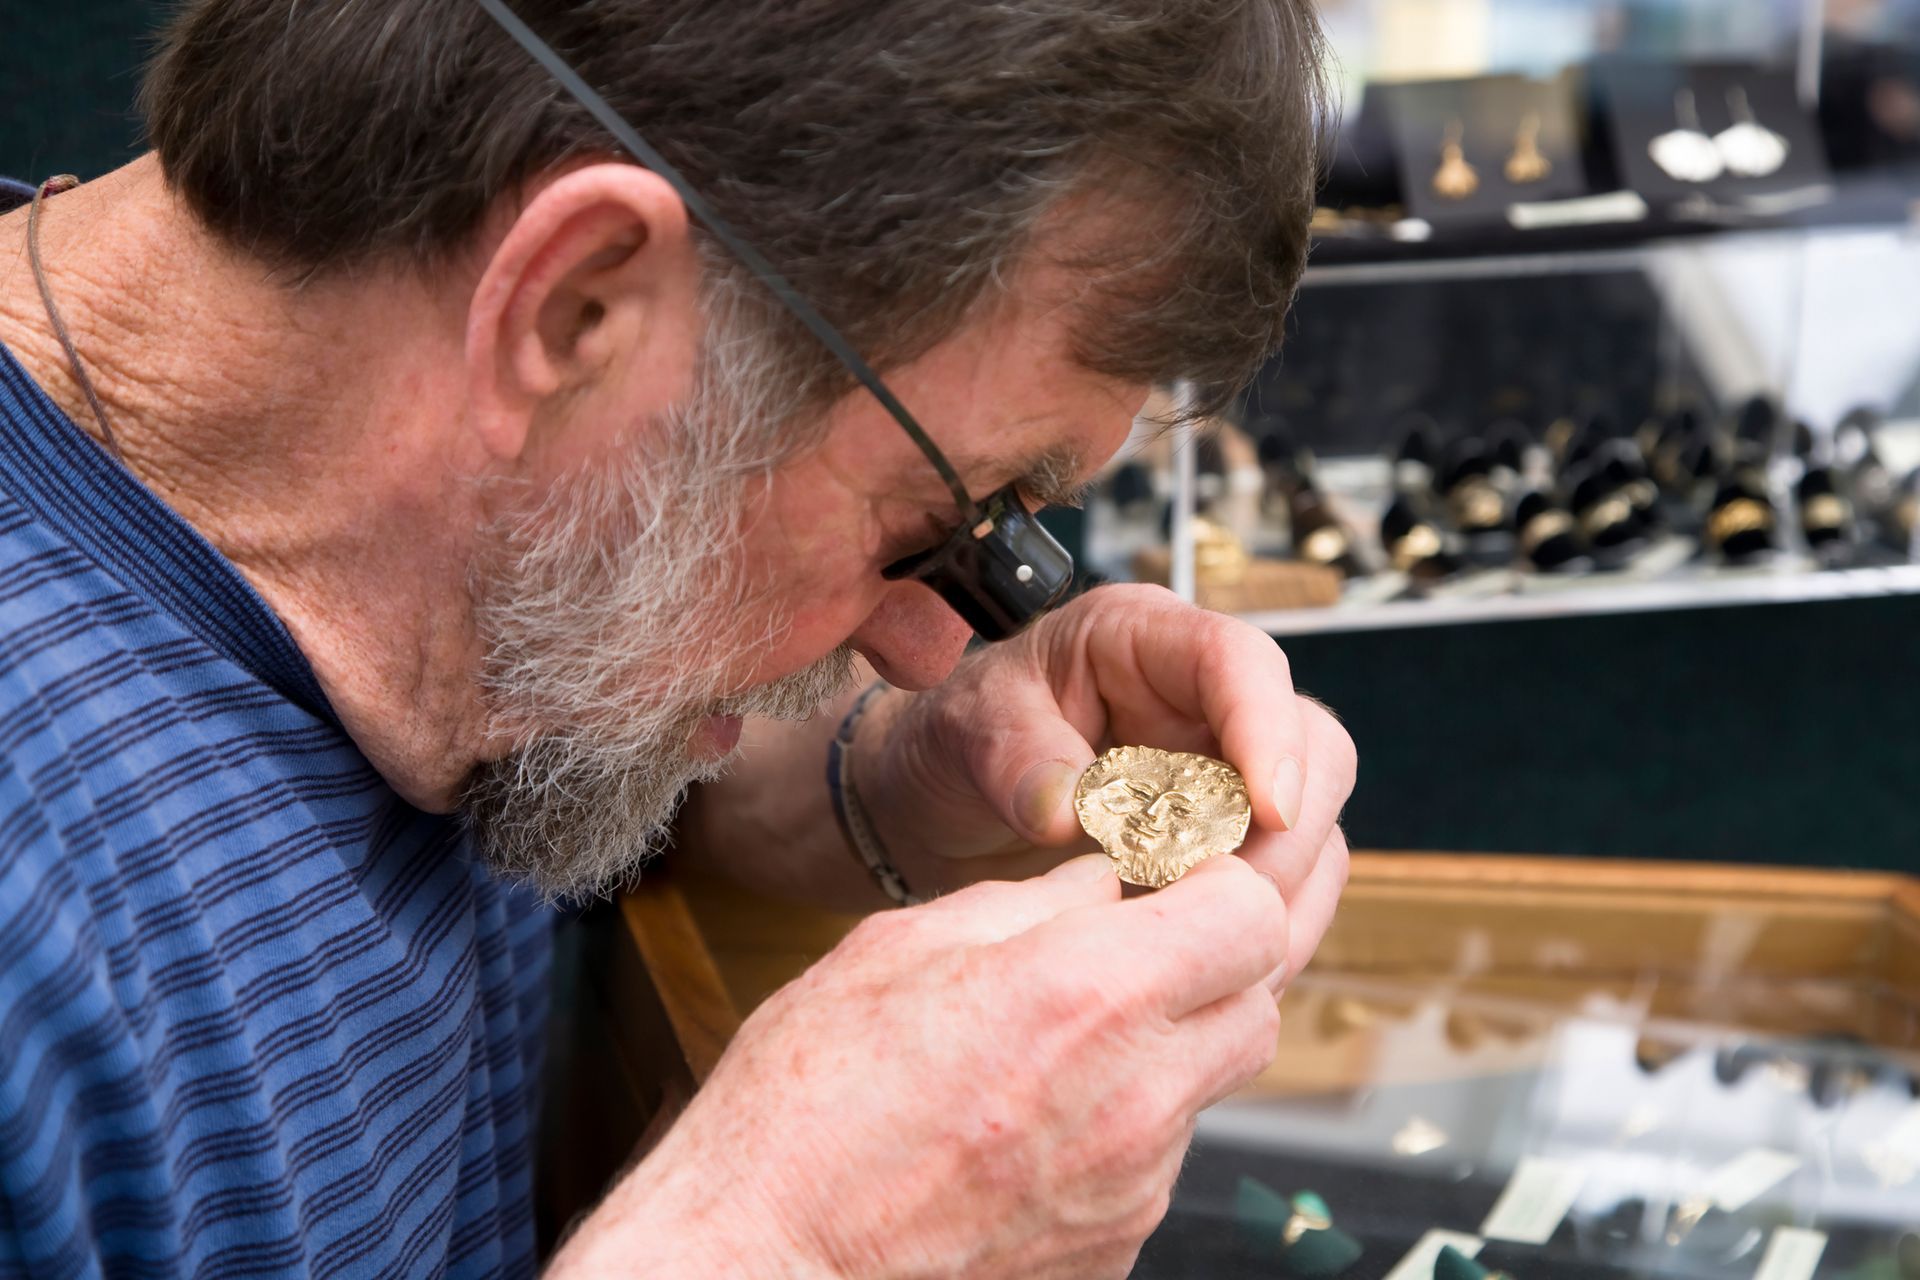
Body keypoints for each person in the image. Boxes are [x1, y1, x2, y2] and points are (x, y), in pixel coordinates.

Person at [0, 0, 1355, 1275]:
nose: (932, 649)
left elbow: (487, 769)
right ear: (575, 306)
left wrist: (880, 781)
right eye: (937, 525)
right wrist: (782, 1241)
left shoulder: (416, 568)